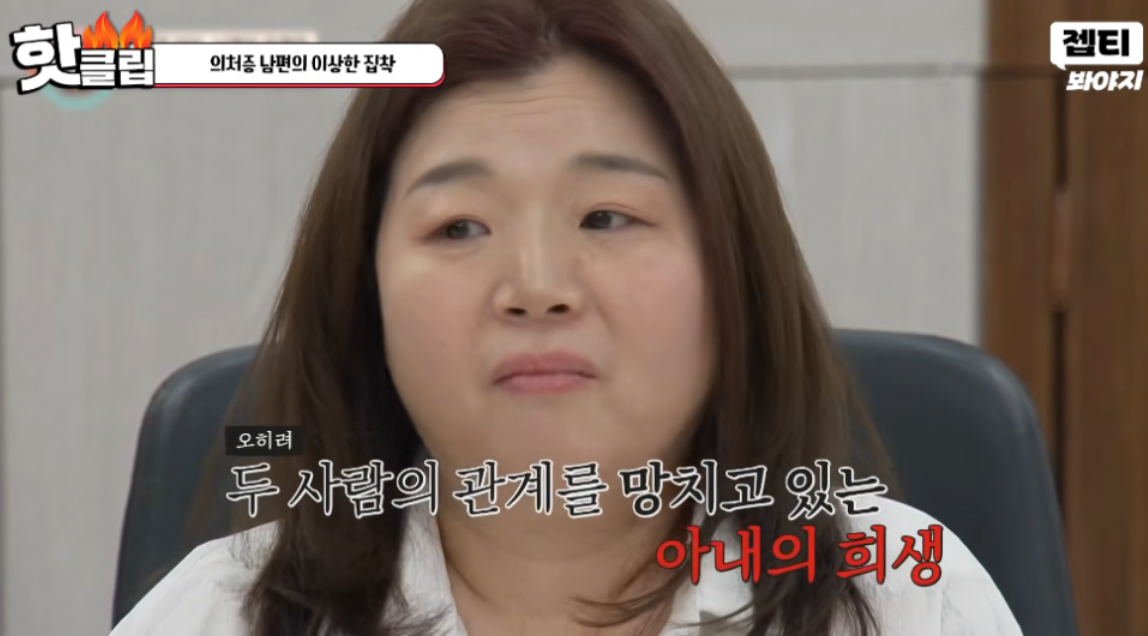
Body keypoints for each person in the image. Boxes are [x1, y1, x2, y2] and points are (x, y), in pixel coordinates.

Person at [109, 0, 1024, 634]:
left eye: (607, 218)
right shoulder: (222, 616)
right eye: (459, 226)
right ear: (364, 291)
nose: (538, 286)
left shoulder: (904, 596)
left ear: (731, 273)